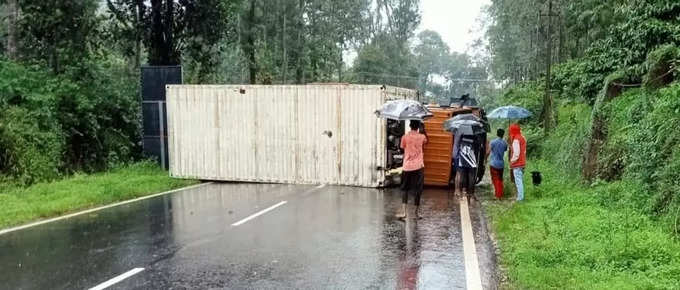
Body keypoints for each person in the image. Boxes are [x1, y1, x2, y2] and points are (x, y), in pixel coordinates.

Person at [398, 120, 428, 219]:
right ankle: (416, 214)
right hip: (418, 166)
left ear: (410, 126)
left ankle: (404, 213)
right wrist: (423, 129)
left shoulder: (404, 137)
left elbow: (402, 147)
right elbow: (427, 141)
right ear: (418, 127)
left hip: (407, 166)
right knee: (417, 190)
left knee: (405, 189)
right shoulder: (422, 137)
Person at [455, 131, 478, 201]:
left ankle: (462, 193)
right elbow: (477, 148)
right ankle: (471, 194)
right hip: (471, 159)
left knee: (462, 176)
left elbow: (457, 145)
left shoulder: (462, 136)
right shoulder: (474, 136)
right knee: (471, 177)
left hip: (462, 158)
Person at [508, 124, 527, 201]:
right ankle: (520, 196)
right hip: (522, 163)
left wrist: (511, 161)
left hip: (517, 164)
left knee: (518, 182)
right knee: (520, 180)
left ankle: (520, 198)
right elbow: (524, 151)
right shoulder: (523, 137)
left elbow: (516, 153)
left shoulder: (516, 140)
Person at [488, 129, 508, 199]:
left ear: (497, 134)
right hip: (501, 164)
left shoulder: (492, 142)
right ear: (503, 134)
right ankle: (500, 193)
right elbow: (505, 149)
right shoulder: (505, 143)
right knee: (500, 179)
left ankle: (498, 195)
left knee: (495, 179)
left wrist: (485, 158)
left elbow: (488, 151)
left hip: (493, 163)